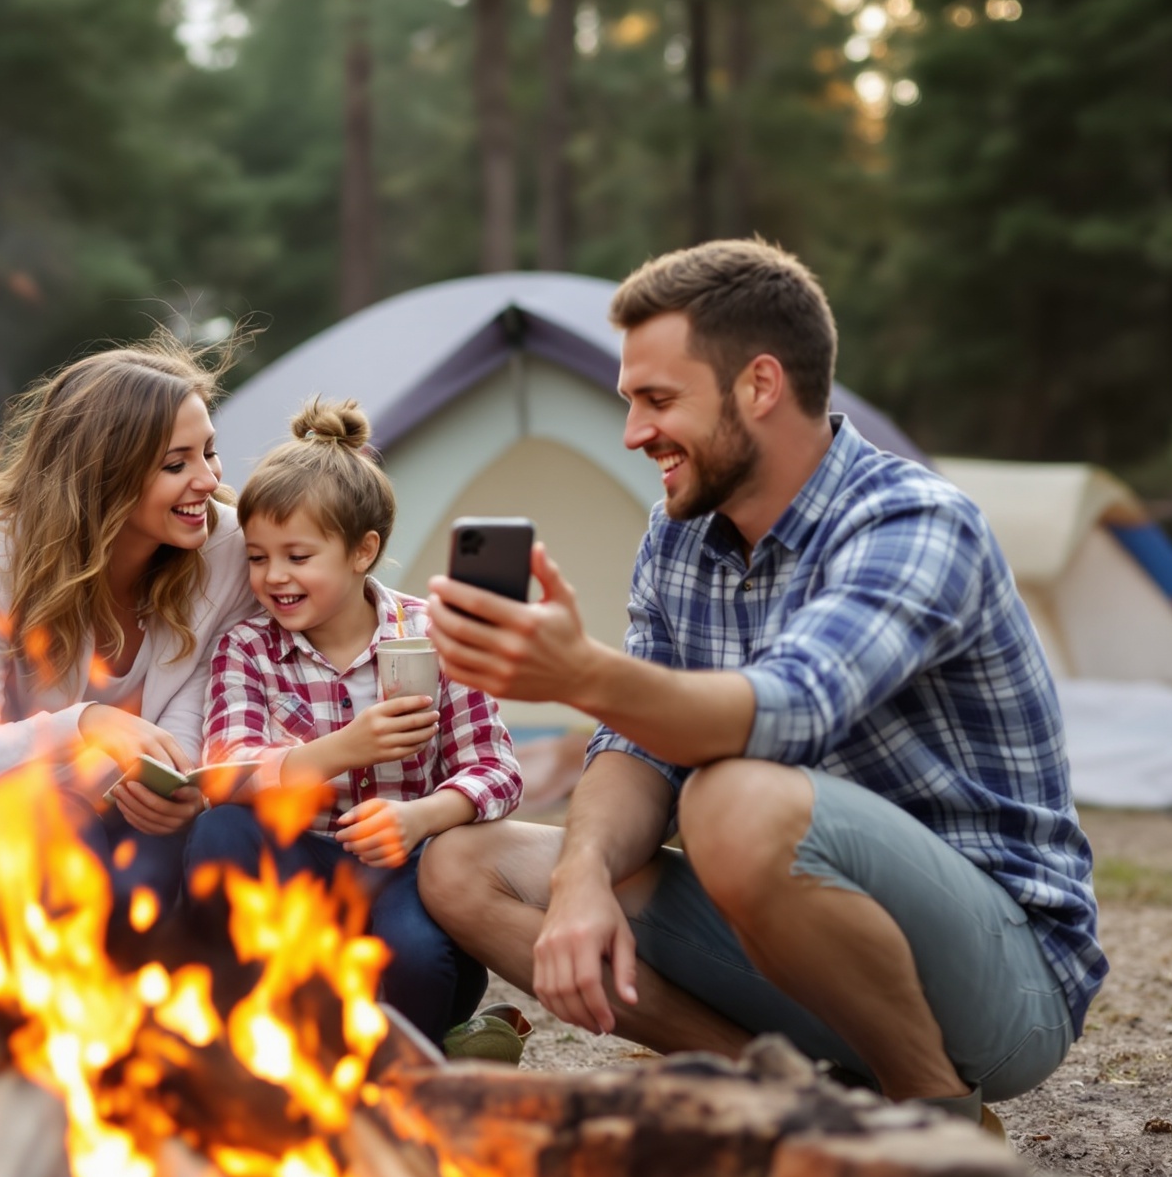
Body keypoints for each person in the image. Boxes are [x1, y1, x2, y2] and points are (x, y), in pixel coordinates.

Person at [418, 239, 1101, 1123]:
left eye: (658, 400)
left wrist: (583, 673)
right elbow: (639, 750)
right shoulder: (679, 537)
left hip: (1002, 979)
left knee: (732, 801)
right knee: (463, 865)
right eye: (629, 403)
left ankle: (935, 1115)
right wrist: (583, 871)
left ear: (761, 386)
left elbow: (790, 707)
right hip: (795, 933)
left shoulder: (916, 521)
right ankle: (794, 1102)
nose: (633, 434)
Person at [184, 399, 523, 1041]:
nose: (274, 577)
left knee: (421, 960)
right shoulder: (247, 648)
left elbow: (497, 771)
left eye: (298, 556)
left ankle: (402, 1061)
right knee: (221, 832)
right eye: (257, 558)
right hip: (296, 868)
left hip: (404, 869)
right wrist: (341, 749)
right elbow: (225, 774)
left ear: (362, 551)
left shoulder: (431, 637)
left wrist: (421, 817)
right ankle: (266, 1040)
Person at [0, 336, 256, 941]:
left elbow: (206, 695)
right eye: (176, 463)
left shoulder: (226, 549)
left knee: (152, 877)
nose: (209, 480)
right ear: (106, 472)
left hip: (141, 815)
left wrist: (185, 788)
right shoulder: (0, 549)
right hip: (31, 806)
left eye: (209, 453)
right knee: (42, 839)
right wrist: (84, 724)